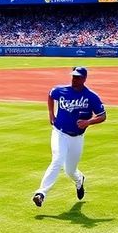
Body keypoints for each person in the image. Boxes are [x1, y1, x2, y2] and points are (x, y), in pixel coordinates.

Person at [33, 67, 107, 207]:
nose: (74, 79)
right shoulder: (61, 90)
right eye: (73, 76)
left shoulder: (91, 96)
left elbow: (103, 115)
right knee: (57, 159)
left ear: (84, 79)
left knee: (70, 170)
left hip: (77, 138)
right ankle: (41, 193)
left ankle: (79, 181)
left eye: (78, 77)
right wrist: (51, 114)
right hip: (59, 133)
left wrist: (88, 122)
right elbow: (50, 94)